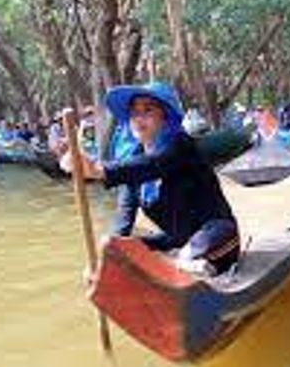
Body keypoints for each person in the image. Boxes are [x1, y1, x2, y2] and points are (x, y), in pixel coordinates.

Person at [69, 82, 239, 277]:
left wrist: (97, 170)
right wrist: (106, 261)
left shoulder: (181, 146)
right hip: (178, 241)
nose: (139, 118)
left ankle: (191, 269)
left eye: (148, 110)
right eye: (134, 113)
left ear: (165, 116)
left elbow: (155, 165)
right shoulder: (133, 166)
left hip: (218, 235)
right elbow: (123, 222)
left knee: (186, 257)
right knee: (114, 247)